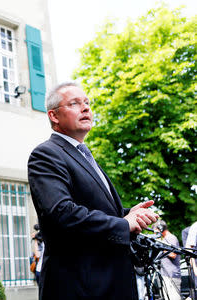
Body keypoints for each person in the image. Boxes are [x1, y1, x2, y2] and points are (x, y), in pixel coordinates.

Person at [27, 82, 159, 300]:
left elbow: (94, 208)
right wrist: (124, 224)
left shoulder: (84, 155)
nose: (86, 108)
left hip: (111, 283)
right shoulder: (46, 154)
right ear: (54, 116)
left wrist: (128, 214)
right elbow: (62, 212)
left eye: (87, 102)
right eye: (74, 103)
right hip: (80, 287)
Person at [153, 220, 181, 298]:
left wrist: (161, 246)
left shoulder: (171, 238)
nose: (155, 234)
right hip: (166, 274)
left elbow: (173, 254)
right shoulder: (165, 239)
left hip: (171, 274)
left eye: (156, 231)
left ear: (161, 229)